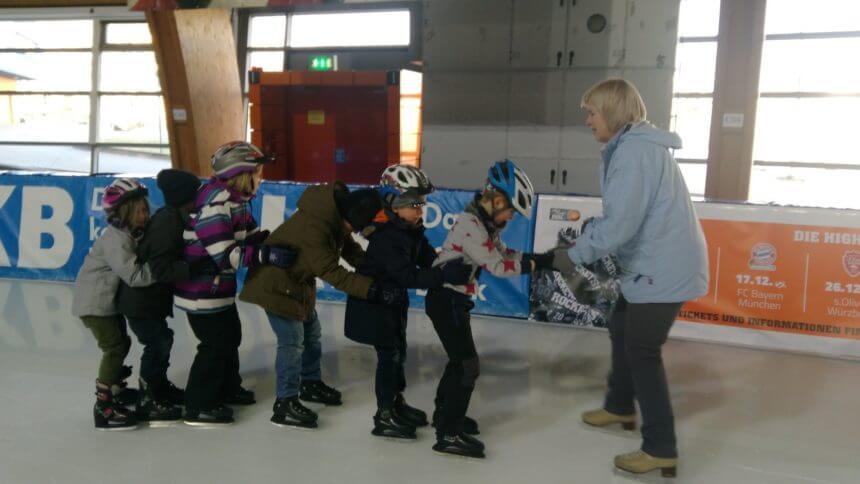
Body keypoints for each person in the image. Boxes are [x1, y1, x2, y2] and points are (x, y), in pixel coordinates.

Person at [553, 78, 708, 477]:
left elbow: (620, 224)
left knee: (642, 350)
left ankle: (661, 448)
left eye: (591, 112)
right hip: (653, 262)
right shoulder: (628, 146)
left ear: (613, 112)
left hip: (662, 267)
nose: (587, 120)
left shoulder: (635, 152)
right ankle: (620, 407)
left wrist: (572, 255)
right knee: (622, 326)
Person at [240, 181, 407, 430]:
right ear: (356, 219)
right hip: (274, 286)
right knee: (292, 341)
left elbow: (349, 249)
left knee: (312, 333)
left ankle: (310, 383)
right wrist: (372, 289)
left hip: (296, 284)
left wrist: (375, 268)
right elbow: (332, 271)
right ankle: (285, 402)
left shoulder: (334, 218)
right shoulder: (316, 229)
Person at [426, 159, 553, 458]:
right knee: (467, 365)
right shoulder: (472, 225)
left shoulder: (481, 221)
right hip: (446, 300)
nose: (510, 218)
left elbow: (504, 252)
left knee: (459, 362)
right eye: (510, 210)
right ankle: (448, 433)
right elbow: (497, 265)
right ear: (496, 200)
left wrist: (540, 258)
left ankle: (444, 417)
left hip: (451, 300)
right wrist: (534, 265)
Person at [344, 165, 472, 440]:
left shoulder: (410, 231)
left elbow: (429, 260)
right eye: (413, 204)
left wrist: (453, 262)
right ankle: (384, 414)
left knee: (399, 353)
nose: (420, 209)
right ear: (393, 204)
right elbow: (408, 275)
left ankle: (395, 402)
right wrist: (443, 275)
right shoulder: (387, 238)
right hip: (374, 307)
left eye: (422, 203)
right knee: (388, 358)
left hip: (392, 305)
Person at [174, 141, 297, 426]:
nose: (261, 177)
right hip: (201, 291)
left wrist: (269, 241)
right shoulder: (215, 205)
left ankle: (227, 388)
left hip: (218, 290)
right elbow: (226, 255)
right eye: (258, 172)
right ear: (242, 174)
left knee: (231, 337)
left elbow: (250, 234)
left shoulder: (236, 201)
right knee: (214, 345)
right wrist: (266, 254)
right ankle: (199, 405)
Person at [115, 169, 204, 425]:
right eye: (194, 194)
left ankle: (158, 386)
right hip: (141, 301)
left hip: (149, 301)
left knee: (162, 339)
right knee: (157, 342)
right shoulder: (168, 223)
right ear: (185, 197)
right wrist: (192, 268)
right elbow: (159, 268)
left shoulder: (173, 217)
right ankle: (149, 396)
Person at [72, 178, 159, 430]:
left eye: (146, 209)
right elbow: (134, 275)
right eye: (141, 211)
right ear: (125, 213)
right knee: (114, 348)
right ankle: (103, 406)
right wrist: (161, 269)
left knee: (123, 342)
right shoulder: (116, 240)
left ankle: (115, 390)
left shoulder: (127, 234)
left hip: (105, 302)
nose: (146, 215)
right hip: (94, 305)